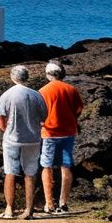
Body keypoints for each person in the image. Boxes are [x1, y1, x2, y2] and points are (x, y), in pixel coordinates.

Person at [0, 64, 46, 219]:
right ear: (27, 77)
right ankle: (28, 210)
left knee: (10, 172)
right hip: (32, 139)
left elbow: (1, 119)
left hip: (12, 139)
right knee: (30, 173)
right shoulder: (36, 95)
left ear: (12, 77)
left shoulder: (6, 95)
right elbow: (44, 117)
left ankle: (9, 209)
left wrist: (6, 131)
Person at [39, 60, 83, 214]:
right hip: (68, 131)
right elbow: (78, 109)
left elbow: (39, 113)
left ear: (47, 74)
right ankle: (63, 202)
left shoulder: (43, 91)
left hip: (49, 132)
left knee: (47, 166)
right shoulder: (71, 89)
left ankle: (49, 203)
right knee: (65, 165)